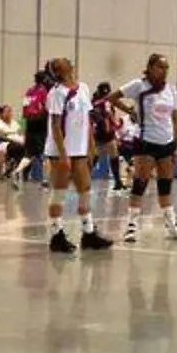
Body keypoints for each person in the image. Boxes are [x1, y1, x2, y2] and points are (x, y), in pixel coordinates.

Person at [103, 54, 177, 244]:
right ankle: (131, 226)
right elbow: (111, 98)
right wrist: (129, 110)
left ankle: (172, 225)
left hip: (166, 142)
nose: (164, 71)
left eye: (166, 67)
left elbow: (176, 119)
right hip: (146, 142)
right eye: (160, 67)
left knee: (165, 185)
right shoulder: (139, 86)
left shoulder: (171, 90)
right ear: (150, 67)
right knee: (140, 183)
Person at [44, 57, 113, 253]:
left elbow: (86, 120)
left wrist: (90, 146)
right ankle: (56, 235)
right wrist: (63, 154)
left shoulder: (83, 88)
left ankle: (88, 233)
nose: (68, 61)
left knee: (85, 189)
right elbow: (55, 125)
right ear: (58, 70)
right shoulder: (56, 93)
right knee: (59, 191)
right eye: (62, 62)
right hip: (61, 151)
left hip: (79, 149)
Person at [13, 70, 52, 187]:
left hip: (30, 122)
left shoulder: (29, 91)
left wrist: (26, 122)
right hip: (40, 122)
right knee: (44, 152)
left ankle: (16, 172)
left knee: (29, 153)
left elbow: (24, 108)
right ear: (45, 79)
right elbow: (47, 107)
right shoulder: (44, 91)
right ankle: (45, 179)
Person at [91, 82, 126, 192]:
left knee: (111, 155)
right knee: (98, 156)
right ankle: (83, 178)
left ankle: (118, 181)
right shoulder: (98, 103)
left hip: (104, 133)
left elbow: (110, 115)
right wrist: (112, 127)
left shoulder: (102, 101)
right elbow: (104, 118)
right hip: (101, 132)